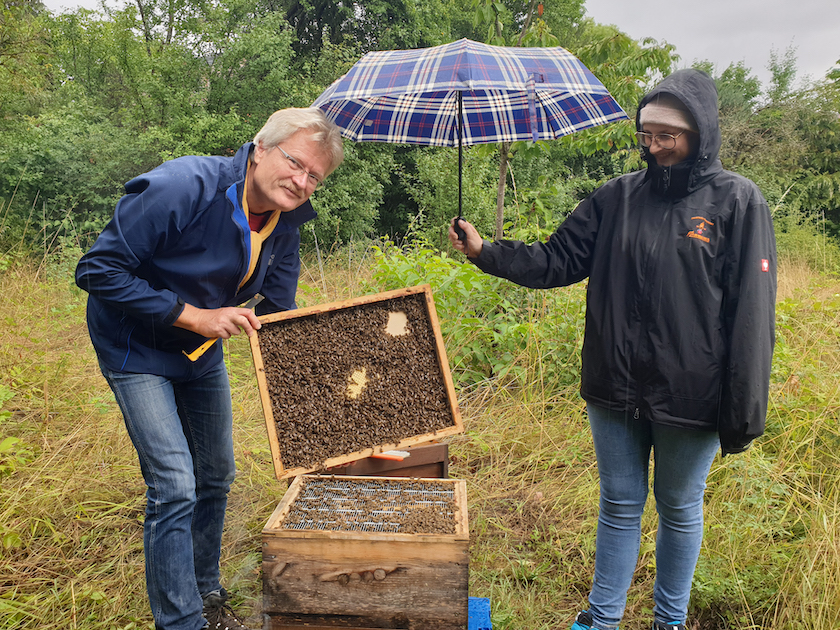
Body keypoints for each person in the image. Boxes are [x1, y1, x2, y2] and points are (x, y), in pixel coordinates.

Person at [448, 69, 776, 630]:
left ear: (699, 133)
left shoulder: (737, 202)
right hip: (613, 384)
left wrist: (743, 410)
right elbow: (555, 261)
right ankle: (603, 620)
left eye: (666, 136)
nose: (653, 147)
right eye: (646, 134)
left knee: (678, 508)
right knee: (620, 506)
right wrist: (486, 252)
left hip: (691, 393)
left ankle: (668, 621)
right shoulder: (616, 198)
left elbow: (752, 315)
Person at [76, 108, 344, 630]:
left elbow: (275, 311)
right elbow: (96, 269)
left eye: (316, 177)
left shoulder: (286, 221)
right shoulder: (181, 186)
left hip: (199, 352)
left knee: (217, 473)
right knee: (175, 483)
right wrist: (193, 315)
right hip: (135, 345)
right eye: (297, 164)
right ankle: (181, 623)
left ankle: (205, 590)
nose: (302, 182)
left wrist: (338, 387)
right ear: (260, 148)